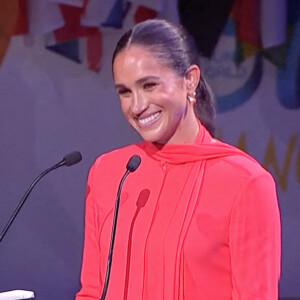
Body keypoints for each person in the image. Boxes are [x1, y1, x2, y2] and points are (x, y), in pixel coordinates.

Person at [76, 19, 281, 300]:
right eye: (124, 92)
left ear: (190, 80)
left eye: (149, 85)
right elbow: (91, 291)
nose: (136, 106)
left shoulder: (246, 183)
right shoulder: (109, 173)